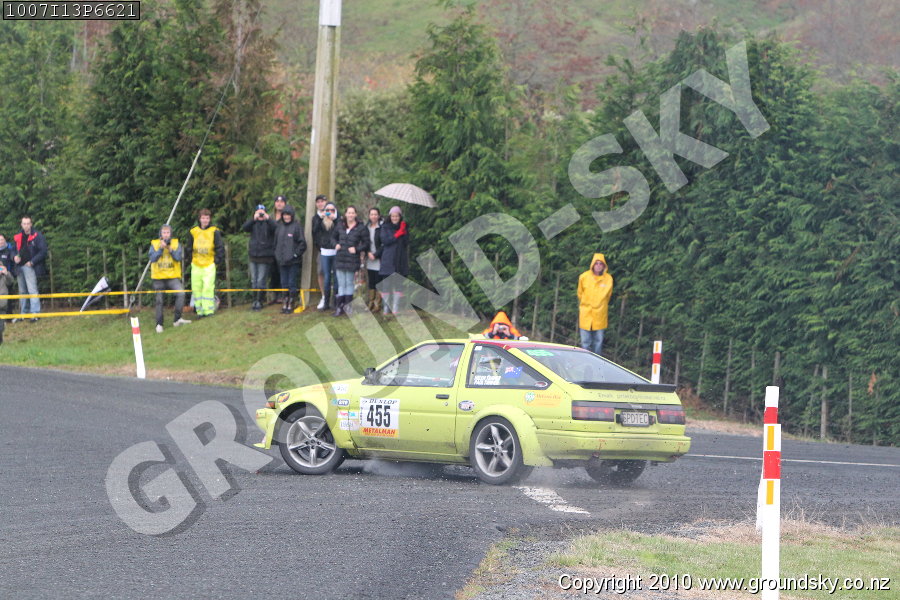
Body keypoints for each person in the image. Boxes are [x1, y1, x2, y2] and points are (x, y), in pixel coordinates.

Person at [148, 224, 191, 333]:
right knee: (159, 300)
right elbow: (152, 258)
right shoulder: (154, 244)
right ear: (160, 234)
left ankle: (177, 319)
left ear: (171, 234)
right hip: (158, 277)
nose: (166, 235)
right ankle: (159, 324)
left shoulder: (176, 243)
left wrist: (170, 249)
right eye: (164, 233)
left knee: (181, 294)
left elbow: (178, 258)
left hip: (172, 277)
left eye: (168, 232)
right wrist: (161, 249)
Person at [184, 208, 224, 318]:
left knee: (208, 288)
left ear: (210, 219)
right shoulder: (193, 231)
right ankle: (199, 311)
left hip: (209, 264)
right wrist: (190, 259)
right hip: (196, 264)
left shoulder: (214, 231)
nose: (205, 220)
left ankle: (208, 310)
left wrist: (216, 261)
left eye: (207, 218)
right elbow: (189, 247)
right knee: (197, 288)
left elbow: (219, 247)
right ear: (199, 219)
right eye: (203, 218)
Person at [332, 205, 368, 317]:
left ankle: (348, 307)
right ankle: (339, 308)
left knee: (349, 283)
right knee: (341, 284)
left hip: (352, 259)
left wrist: (357, 249)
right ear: (345, 214)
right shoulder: (340, 225)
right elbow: (332, 238)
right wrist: (335, 244)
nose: (351, 215)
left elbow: (366, 243)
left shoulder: (361, 227)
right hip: (340, 258)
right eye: (349, 213)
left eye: (353, 213)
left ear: (355, 214)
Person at [577, 252, 613, 355]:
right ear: (592, 264)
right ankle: (585, 360)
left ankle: (596, 361)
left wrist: (600, 305)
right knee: (585, 342)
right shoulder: (583, 277)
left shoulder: (608, 279)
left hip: (600, 314)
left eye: (601, 263)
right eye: (596, 263)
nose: (598, 266)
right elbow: (580, 293)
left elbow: (608, 295)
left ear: (604, 266)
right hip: (586, 313)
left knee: (598, 342)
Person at [13, 216, 48, 321]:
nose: (26, 226)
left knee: (32, 290)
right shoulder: (18, 236)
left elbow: (43, 251)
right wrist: (14, 257)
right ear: (21, 224)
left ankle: (35, 314)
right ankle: (24, 313)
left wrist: (32, 262)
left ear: (31, 224)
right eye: (24, 223)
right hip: (19, 267)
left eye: (28, 223)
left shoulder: (37, 236)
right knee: (22, 291)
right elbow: (13, 250)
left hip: (30, 266)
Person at [376, 206, 410, 316]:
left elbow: (406, 242)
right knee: (386, 284)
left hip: (400, 259)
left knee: (398, 284)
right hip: (388, 259)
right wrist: (397, 234)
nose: (395, 218)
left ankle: (395, 308)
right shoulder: (385, 227)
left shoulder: (403, 227)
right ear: (390, 217)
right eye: (393, 216)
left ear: (400, 217)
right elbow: (385, 240)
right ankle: (386, 308)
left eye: (397, 216)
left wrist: (404, 231)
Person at [242, 203, 276, 311]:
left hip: (265, 256)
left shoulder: (269, 223)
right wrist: (253, 219)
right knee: (254, 280)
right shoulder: (253, 223)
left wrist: (268, 218)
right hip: (254, 256)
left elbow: (276, 228)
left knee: (261, 280)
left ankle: (260, 301)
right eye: (258, 212)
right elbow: (244, 228)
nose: (260, 215)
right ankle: (254, 301)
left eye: (262, 212)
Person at [274, 204, 307, 313]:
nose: (286, 217)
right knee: (284, 282)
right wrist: (277, 255)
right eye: (284, 215)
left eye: (288, 215)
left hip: (293, 261)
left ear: (292, 215)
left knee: (292, 282)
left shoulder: (297, 227)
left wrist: (295, 254)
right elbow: (275, 243)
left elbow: (302, 244)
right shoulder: (279, 227)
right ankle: (285, 301)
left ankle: (291, 302)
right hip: (282, 261)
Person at [312, 200, 338, 311]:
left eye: (332, 210)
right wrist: (320, 218)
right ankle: (326, 301)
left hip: (335, 251)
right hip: (325, 251)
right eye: (327, 210)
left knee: (336, 277)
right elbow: (314, 231)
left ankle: (335, 301)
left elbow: (339, 232)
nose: (330, 212)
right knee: (326, 277)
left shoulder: (338, 220)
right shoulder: (321, 221)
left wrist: (334, 219)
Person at [310, 194, 330, 309]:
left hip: (333, 249)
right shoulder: (315, 218)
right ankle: (324, 296)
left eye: (322, 201)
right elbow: (314, 232)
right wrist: (320, 219)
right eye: (318, 202)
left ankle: (335, 297)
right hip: (322, 250)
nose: (320, 203)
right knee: (321, 272)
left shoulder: (333, 213)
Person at [268, 194, 287, 304]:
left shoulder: (288, 216)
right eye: (277, 201)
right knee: (272, 272)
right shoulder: (269, 216)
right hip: (270, 248)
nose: (279, 204)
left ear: (285, 204)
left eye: (281, 202)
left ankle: (283, 295)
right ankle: (273, 296)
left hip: (282, 249)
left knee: (282, 272)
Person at [364, 207, 383, 313]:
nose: (374, 216)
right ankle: (371, 302)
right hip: (369, 258)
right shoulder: (366, 228)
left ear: (378, 216)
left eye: (375, 214)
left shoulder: (381, 228)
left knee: (378, 281)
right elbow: (364, 242)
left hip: (379, 258)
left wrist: (375, 254)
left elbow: (383, 244)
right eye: (372, 214)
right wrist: (368, 253)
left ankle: (377, 304)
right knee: (371, 281)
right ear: (369, 216)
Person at [0, 234, 15, 344]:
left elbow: (11, 282)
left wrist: (6, 273)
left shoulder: (5, 277)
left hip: (2, 305)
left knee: (0, 326)